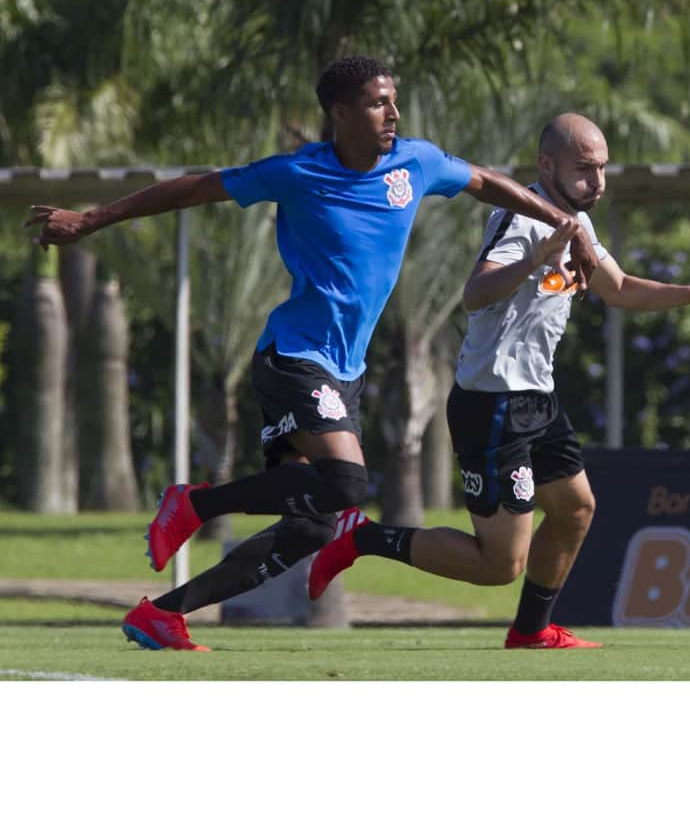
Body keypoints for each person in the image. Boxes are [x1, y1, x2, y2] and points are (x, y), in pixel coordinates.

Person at [24, 55, 599, 652]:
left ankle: (163, 614)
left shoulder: (416, 163)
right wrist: (92, 219)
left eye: (394, 100)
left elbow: (485, 182)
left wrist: (564, 221)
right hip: (294, 357)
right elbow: (195, 188)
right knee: (347, 486)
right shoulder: (297, 173)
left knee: (311, 526)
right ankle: (195, 502)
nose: (393, 113)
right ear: (341, 112)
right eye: (379, 103)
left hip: (341, 373)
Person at [307, 112, 690, 648]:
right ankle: (362, 537)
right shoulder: (517, 218)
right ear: (547, 165)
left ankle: (530, 630)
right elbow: (474, 295)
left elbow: (618, 287)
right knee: (500, 565)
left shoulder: (578, 222)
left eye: (603, 169)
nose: (598, 182)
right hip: (491, 405)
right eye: (585, 169)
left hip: (536, 401)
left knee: (575, 510)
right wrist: (535, 260)